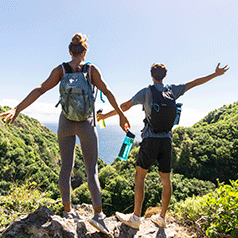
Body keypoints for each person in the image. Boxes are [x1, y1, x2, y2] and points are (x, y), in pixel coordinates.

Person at [0, 33, 130, 235]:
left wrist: (17, 109)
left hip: (65, 123)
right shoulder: (91, 69)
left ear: (70, 51)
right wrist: (121, 115)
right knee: (92, 171)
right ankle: (98, 216)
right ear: (85, 52)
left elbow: (40, 89)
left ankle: (68, 211)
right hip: (87, 123)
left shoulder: (61, 69)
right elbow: (107, 91)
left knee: (66, 168)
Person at [96, 62, 229, 229]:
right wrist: (215, 74)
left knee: (140, 177)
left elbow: (124, 107)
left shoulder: (146, 92)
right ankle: (162, 218)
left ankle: (136, 218)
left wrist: (103, 117)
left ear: (151, 75)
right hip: (167, 141)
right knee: (166, 180)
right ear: (165, 76)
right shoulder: (172, 90)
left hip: (150, 139)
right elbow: (195, 82)